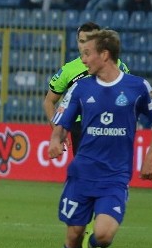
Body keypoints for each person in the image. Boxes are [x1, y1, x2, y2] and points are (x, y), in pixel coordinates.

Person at [48, 28, 152, 248]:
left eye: (88, 53)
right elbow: (61, 120)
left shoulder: (136, 87)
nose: (84, 58)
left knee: (102, 234)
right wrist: (56, 139)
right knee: (74, 234)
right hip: (82, 174)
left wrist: (151, 157)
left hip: (114, 177)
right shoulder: (80, 87)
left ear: (104, 55)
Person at [42, 22, 130, 156]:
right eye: (82, 41)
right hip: (81, 127)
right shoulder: (69, 70)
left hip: (111, 125)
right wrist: (58, 133)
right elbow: (49, 101)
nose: (86, 45)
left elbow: (128, 95)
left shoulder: (117, 65)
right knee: (87, 172)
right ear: (77, 42)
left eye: (91, 40)